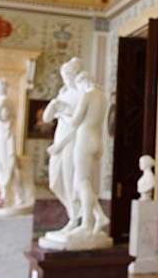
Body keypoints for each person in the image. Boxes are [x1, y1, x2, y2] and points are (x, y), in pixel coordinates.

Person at [60, 70, 110, 236]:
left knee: (82, 182)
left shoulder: (87, 95)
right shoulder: (102, 97)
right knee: (81, 183)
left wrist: (61, 115)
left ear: (82, 81)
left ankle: (87, 224)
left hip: (85, 139)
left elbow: (75, 121)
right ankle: (100, 216)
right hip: (97, 140)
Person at [44, 57, 82, 229]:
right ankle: (73, 213)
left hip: (72, 140)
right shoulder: (63, 92)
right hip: (60, 137)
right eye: (64, 73)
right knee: (54, 181)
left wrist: (63, 111)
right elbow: (47, 118)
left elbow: (78, 122)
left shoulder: (82, 94)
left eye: (69, 73)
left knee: (69, 178)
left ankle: (75, 218)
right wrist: (52, 106)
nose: (66, 76)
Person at [0, 78, 28, 210]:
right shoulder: (3, 102)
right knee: (1, 168)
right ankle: (7, 196)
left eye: (0, 88)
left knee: (9, 168)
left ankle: (14, 195)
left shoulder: (5, 102)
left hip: (5, 140)